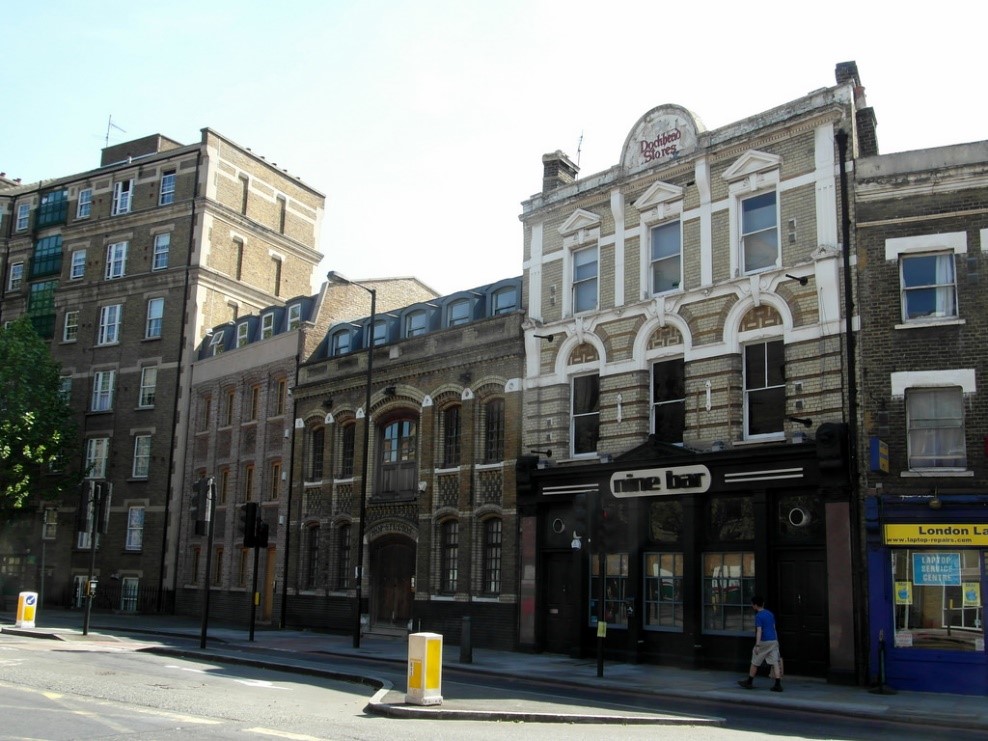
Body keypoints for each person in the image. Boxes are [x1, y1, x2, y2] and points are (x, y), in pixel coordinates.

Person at [737, 594, 783, 692]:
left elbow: (759, 631)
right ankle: (778, 684)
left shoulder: (758, 616)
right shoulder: (770, 614)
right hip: (773, 640)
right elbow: (774, 628)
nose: (752, 606)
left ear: (755, 605)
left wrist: (757, 645)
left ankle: (749, 681)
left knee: (755, 661)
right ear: (763, 603)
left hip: (764, 641)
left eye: (752, 604)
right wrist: (777, 641)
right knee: (775, 662)